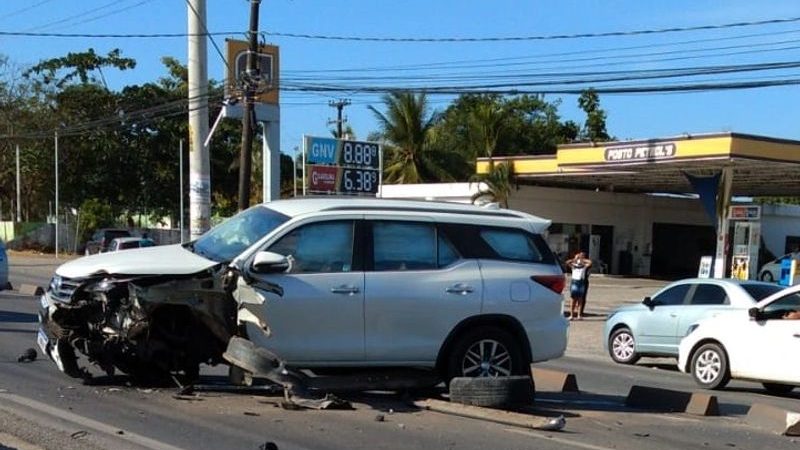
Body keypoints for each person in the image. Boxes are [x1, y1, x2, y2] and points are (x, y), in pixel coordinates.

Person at [566, 251, 593, 320]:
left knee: (580, 299)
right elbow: (567, 262)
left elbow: (590, 262)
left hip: (581, 282)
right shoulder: (574, 266)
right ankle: (571, 315)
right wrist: (574, 259)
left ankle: (579, 315)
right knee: (573, 299)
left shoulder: (584, 266)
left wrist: (582, 259)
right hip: (574, 282)